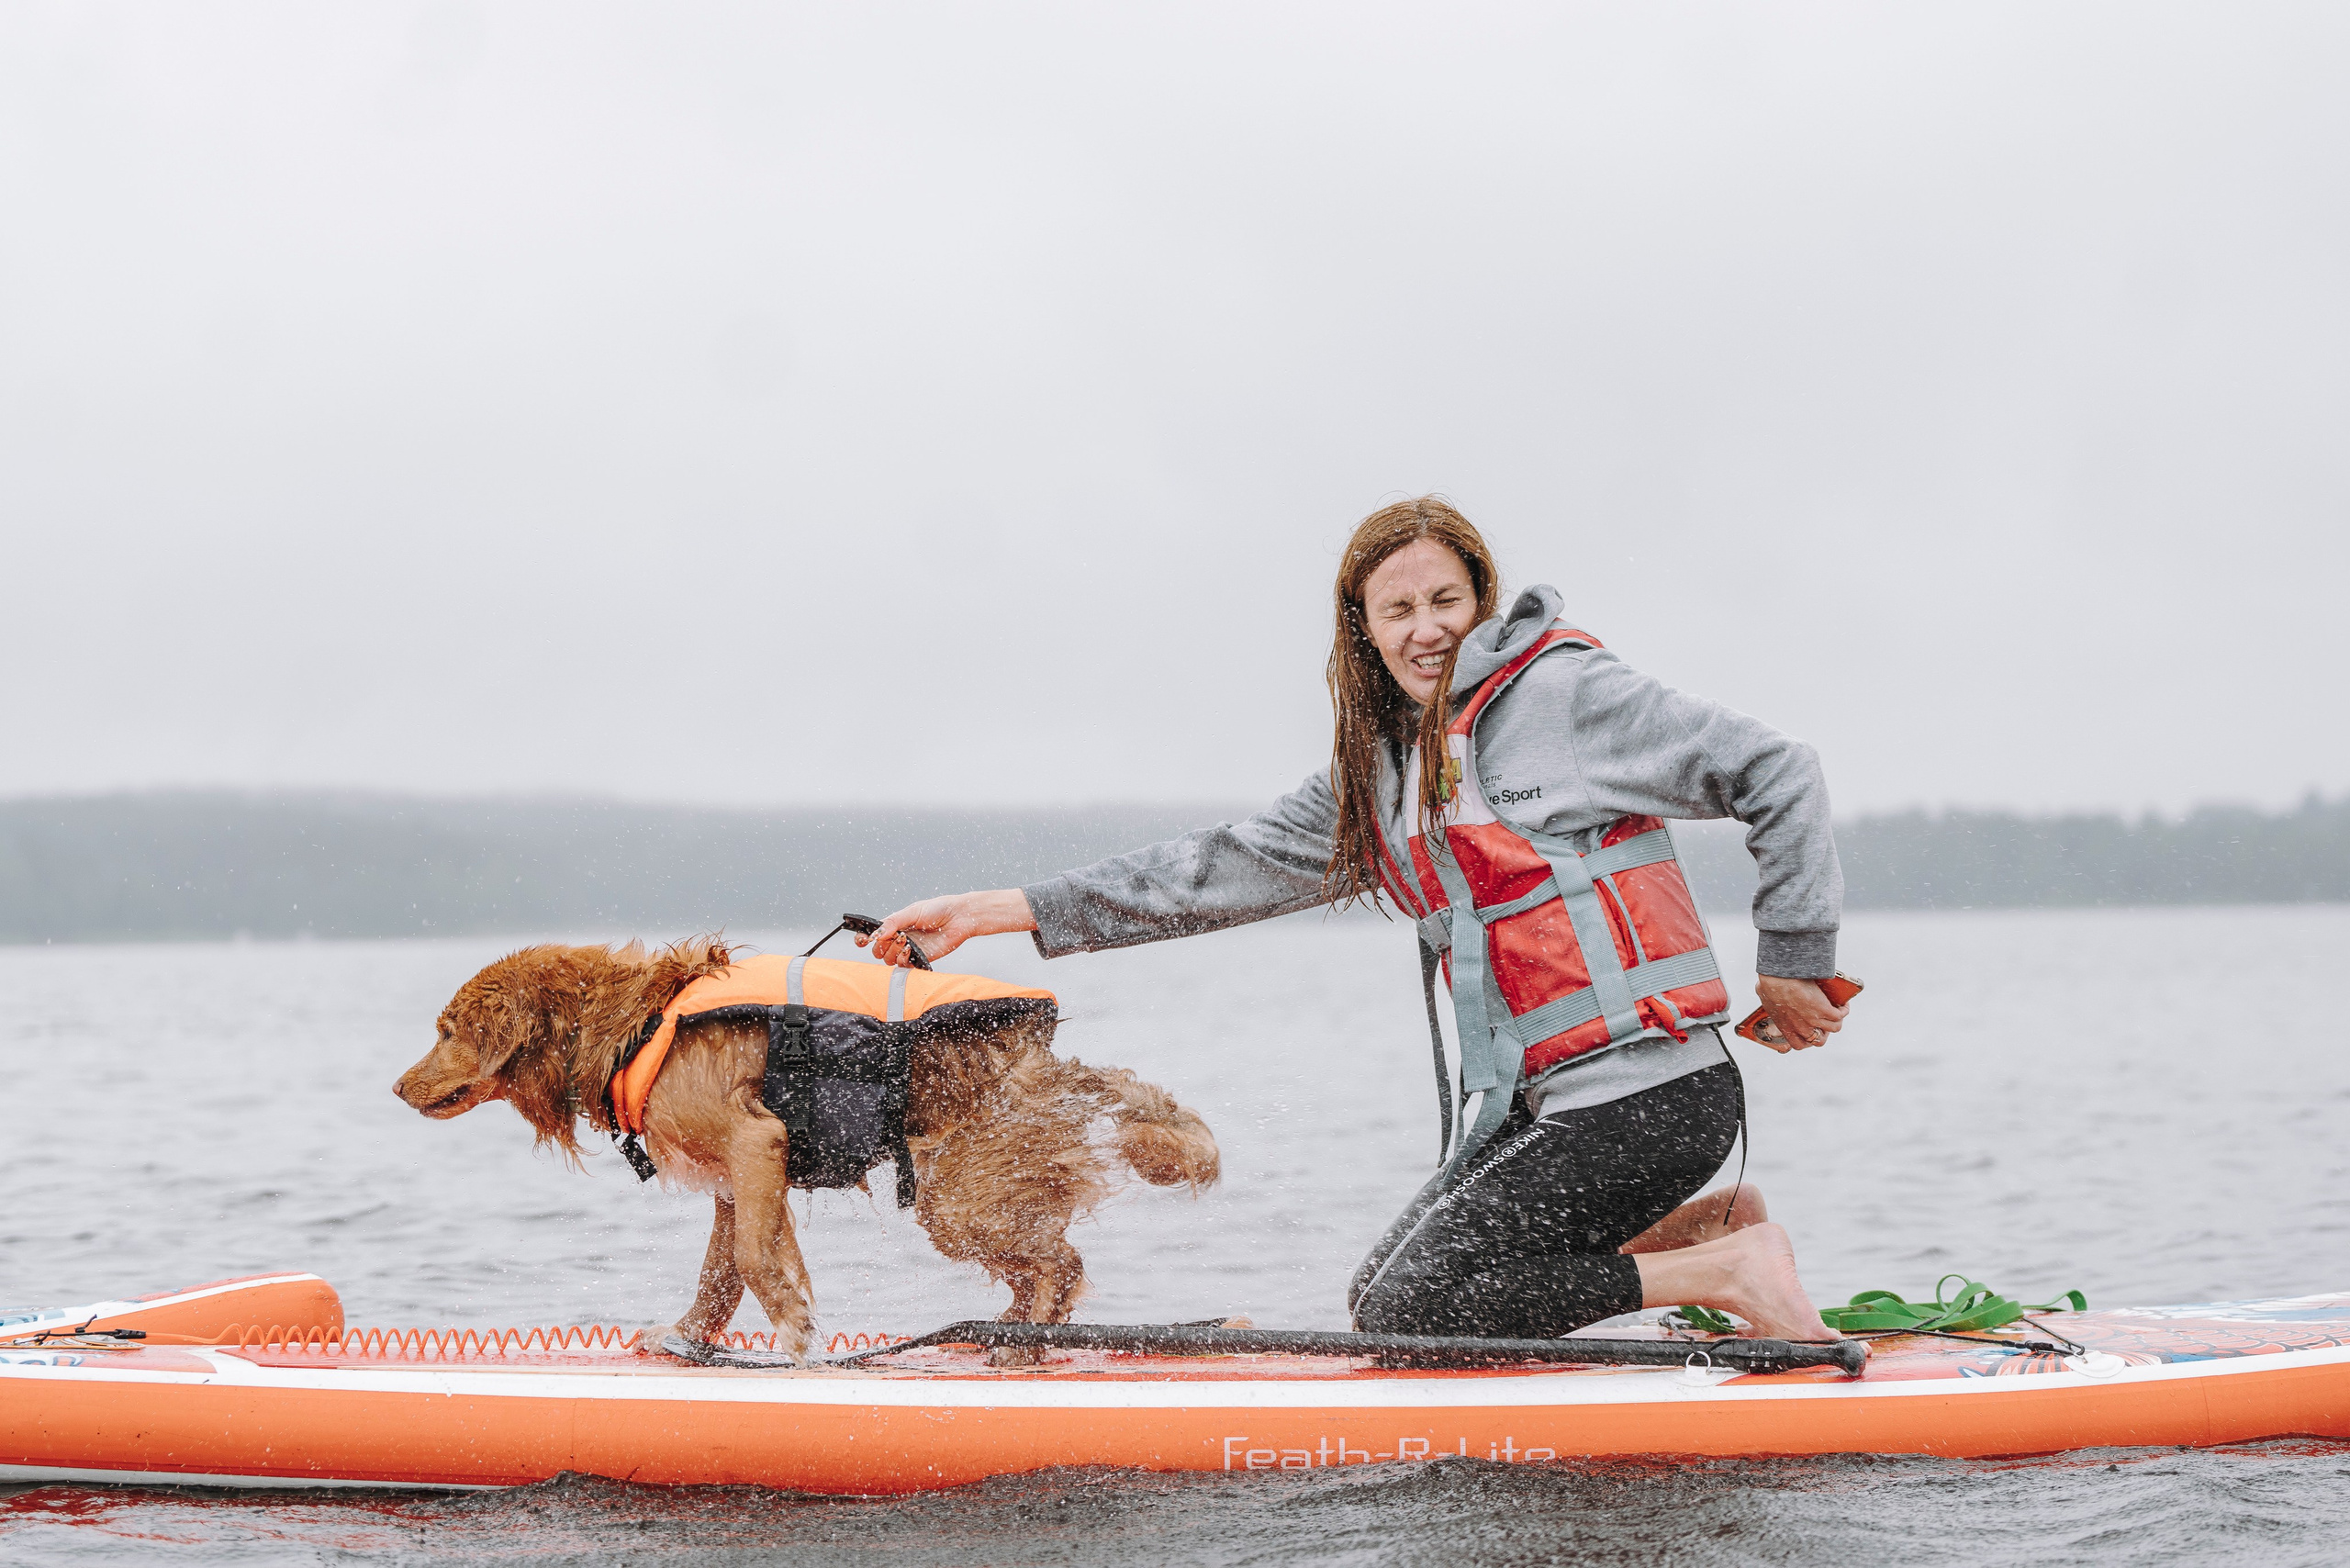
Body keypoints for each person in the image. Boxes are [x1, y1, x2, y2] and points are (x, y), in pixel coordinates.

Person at [865, 498, 1846, 1342]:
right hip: (1555, 1112)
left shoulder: (1564, 697)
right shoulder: (1379, 775)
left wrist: (1793, 957)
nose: (1427, 629)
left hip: (1656, 1100)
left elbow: (1777, 769)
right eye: (1399, 609)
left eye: (1447, 602)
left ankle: (1728, 1273)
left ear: (1481, 604)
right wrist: (993, 911)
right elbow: (1214, 868)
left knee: (1416, 1309)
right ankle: (1707, 1236)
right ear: (1364, 630)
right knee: (1382, 1298)